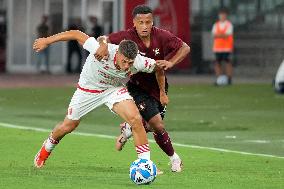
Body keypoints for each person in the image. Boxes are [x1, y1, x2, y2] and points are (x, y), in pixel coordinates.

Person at [32, 29, 169, 168]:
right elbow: (76, 34)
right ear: (118, 53)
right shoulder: (103, 50)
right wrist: (46, 41)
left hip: (112, 89)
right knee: (68, 126)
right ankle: (46, 149)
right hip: (87, 90)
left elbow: (158, 69)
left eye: (130, 62)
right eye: (124, 61)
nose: (127, 66)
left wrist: (162, 92)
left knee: (135, 119)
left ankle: (145, 164)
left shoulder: (139, 62)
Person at [95, 5, 190, 172]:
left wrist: (171, 62)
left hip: (159, 85)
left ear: (152, 22)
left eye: (148, 22)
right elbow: (103, 38)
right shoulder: (126, 36)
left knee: (153, 127)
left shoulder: (162, 35)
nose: (145, 26)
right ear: (134, 22)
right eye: (141, 22)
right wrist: (103, 44)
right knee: (158, 125)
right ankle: (170, 159)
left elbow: (185, 48)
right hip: (137, 88)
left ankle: (128, 130)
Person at [212, 9, 234, 85]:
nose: (222, 16)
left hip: (226, 48)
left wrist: (219, 35)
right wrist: (222, 35)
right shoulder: (216, 25)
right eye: (221, 15)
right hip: (217, 48)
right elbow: (214, 35)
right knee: (217, 63)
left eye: (223, 14)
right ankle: (219, 78)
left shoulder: (229, 24)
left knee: (227, 62)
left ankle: (229, 78)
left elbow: (227, 34)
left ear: (226, 16)